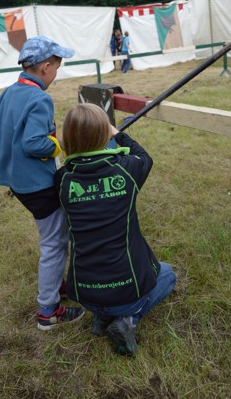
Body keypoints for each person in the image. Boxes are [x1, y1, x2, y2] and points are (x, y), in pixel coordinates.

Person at [55, 103, 177, 356]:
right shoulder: (127, 169)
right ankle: (128, 319)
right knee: (168, 275)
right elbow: (145, 157)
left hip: (85, 294)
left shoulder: (62, 179)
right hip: (126, 290)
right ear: (104, 136)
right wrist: (118, 133)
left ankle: (101, 317)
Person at [0, 35, 85, 330]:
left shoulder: (8, 92)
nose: (56, 72)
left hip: (16, 182)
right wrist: (58, 145)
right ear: (45, 67)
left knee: (53, 233)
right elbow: (34, 143)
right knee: (55, 242)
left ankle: (58, 285)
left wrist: (10, 151)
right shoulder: (40, 98)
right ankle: (48, 311)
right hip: (38, 185)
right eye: (56, 66)